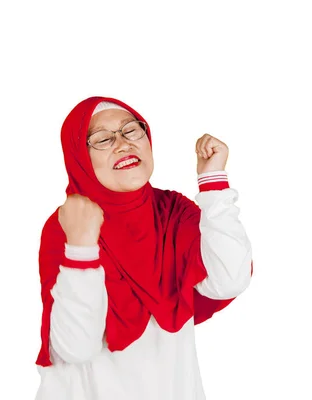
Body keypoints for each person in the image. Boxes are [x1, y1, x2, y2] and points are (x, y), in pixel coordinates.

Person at [35, 96, 253, 400]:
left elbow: (229, 280)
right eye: (101, 138)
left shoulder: (173, 211)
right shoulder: (69, 225)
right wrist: (81, 249)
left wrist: (212, 182)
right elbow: (76, 348)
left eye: (131, 130)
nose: (123, 144)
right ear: (79, 158)